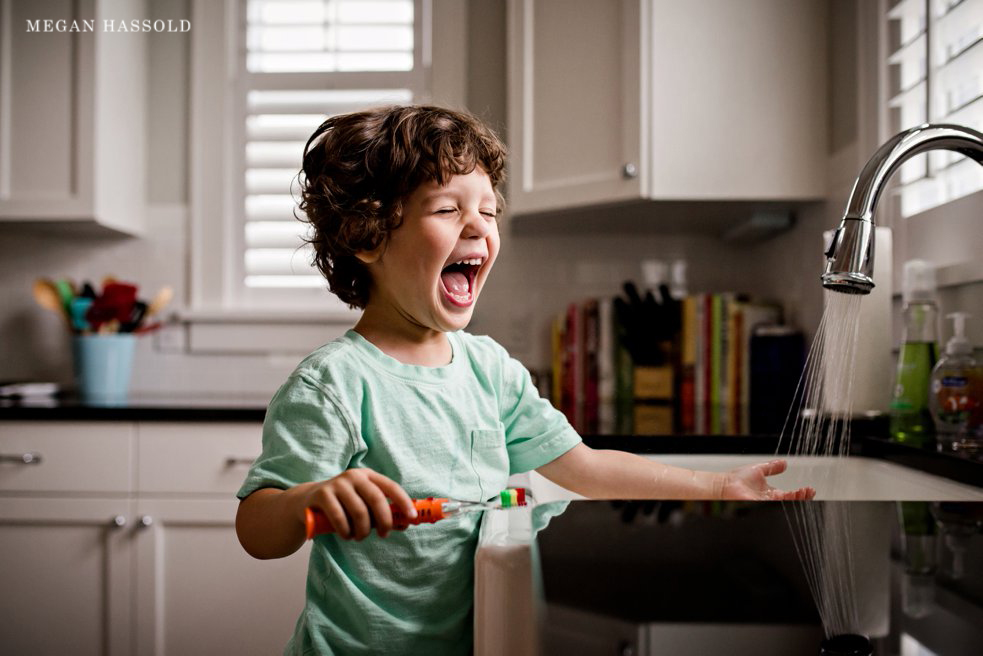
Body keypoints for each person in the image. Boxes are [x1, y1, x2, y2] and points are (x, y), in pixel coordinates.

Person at [234, 105, 815, 655]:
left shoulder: (489, 369)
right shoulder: (332, 385)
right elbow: (258, 529)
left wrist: (714, 487)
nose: (477, 228)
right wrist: (312, 497)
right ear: (368, 235)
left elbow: (583, 467)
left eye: (488, 211)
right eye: (446, 210)